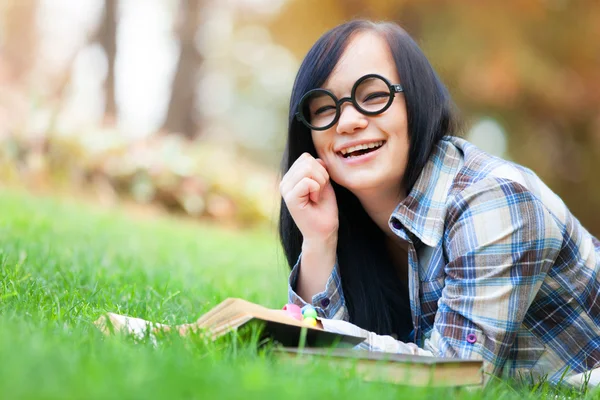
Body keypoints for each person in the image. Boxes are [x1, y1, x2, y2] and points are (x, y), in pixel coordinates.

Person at [277, 19, 600, 385]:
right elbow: (330, 379)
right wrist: (319, 240)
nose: (347, 121)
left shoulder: (492, 199)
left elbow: (457, 379)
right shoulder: (359, 224)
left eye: (373, 96)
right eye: (323, 109)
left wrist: (302, 343)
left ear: (416, 102)